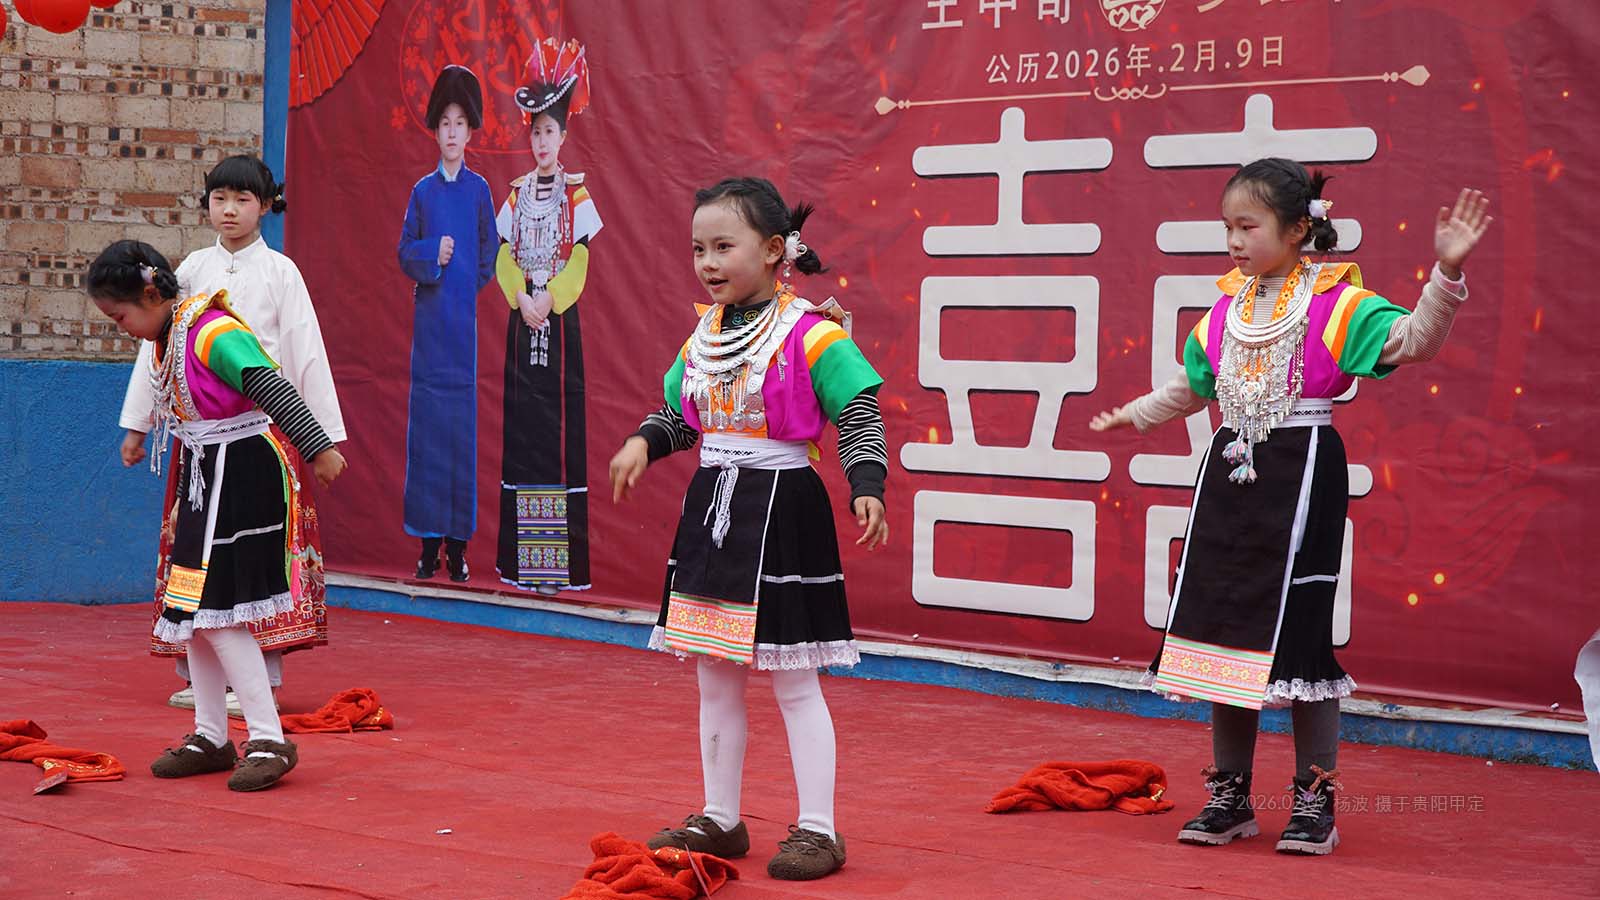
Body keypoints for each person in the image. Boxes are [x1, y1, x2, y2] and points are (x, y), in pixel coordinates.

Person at [1090, 158, 1492, 855]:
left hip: (1304, 469)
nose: (1234, 241)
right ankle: (1231, 797)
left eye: (1248, 226)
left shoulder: (1338, 304)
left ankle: (1314, 802)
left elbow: (1413, 343)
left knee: (1302, 637)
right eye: (1228, 228)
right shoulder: (1226, 308)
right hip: (1230, 474)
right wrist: (1139, 413)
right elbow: (1194, 386)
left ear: (1299, 228)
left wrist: (1447, 272)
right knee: (1221, 634)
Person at [608, 177, 889, 881]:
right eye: (698, 248)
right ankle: (721, 816)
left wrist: (867, 486)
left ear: (771, 250)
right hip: (715, 510)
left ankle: (818, 829)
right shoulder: (703, 335)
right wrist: (643, 442)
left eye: (722, 247)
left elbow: (856, 411)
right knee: (715, 675)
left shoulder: (811, 333)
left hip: (783, 509)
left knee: (794, 680)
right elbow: (681, 416)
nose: (707, 262)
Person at [90, 240, 347, 791]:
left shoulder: (210, 330)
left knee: (218, 614)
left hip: (244, 474)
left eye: (120, 316)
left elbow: (270, 384)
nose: (121, 328)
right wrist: (138, 432)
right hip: (205, 474)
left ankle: (269, 740)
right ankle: (210, 735)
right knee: (189, 611)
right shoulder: (168, 337)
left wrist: (319, 447)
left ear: (150, 295)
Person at [118, 155, 345, 712]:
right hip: (200, 444)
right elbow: (157, 345)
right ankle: (202, 680)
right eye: (220, 198)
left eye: (243, 200)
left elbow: (304, 352)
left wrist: (320, 439)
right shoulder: (191, 269)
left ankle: (262, 679)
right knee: (197, 557)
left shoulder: (281, 273)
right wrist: (138, 424)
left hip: (263, 437)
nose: (230, 210)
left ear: (265, 206)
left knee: (256, 556)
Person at [493, 37, 599, 595]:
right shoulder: (514, 196)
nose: (541, 141)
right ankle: (523, 566)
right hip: (523, 324)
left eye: (549, 132)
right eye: (534, 132)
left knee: (556, 440)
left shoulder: (576, 195)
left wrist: (548, 300)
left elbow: (580, 258)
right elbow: (502, 257)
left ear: (563, 137)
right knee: (524, 435)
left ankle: (553, 569)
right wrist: (520, 297)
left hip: (557, 326)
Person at [397, 65, 498, 581]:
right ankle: (427, 546)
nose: (453, 132)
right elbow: (403, 252)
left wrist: (459, 285)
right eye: (445, 123)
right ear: (435, 132)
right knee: (428, 438)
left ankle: (457, 549)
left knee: (460, 438)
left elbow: (488, 255)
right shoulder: (422, 191)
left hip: (462, 329)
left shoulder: (479, 191)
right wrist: (431, 255)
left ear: (470, 131)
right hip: (429, 331)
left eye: (460, 123)